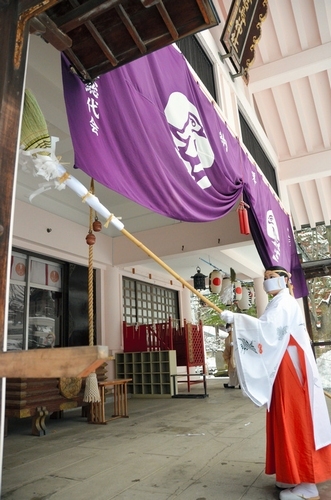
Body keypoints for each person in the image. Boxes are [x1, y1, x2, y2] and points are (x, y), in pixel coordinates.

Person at [220, 266, 331, 500]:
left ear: (285, 279)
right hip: (285, 363)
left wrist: (236, 319)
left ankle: (307, 485)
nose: (268, 281)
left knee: (294, 418)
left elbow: (267, 330)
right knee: (285, 417)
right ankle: (291, 475)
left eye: (273, 277)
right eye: (266, 278)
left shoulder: (284, 302)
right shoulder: (279, 302)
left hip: (289, 366)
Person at [222, 323, 240, 389]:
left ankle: (237, 383)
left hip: (237, 355)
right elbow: (227, 348)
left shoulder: (236, 336)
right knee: (234, 370)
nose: (229, 330)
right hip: (232, 355)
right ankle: (233, 383)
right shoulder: (228, 338)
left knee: (236, 370)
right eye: (228, 328)